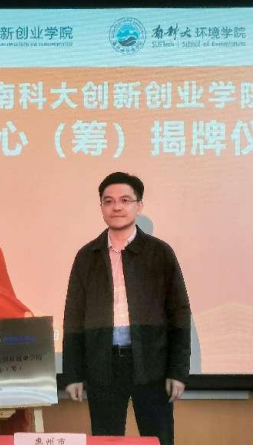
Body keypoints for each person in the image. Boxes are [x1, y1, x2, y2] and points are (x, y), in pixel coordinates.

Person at [62, 172, 191, 445]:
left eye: (125, 200)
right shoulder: (87, 256)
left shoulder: (160, 253)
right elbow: (73, 318)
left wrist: (177, 371)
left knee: (159, 438)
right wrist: (73, 374)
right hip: (103, 365)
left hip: (151, 363)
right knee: (106, 439)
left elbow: (179, 315)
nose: (116, 207)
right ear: (101, 207)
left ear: (138, 206)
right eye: (108, 201)